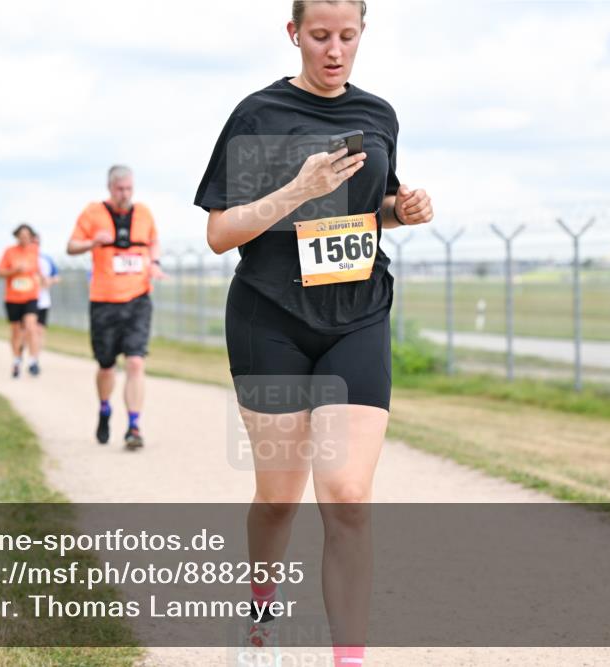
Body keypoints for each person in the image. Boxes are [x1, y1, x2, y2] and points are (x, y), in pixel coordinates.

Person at [194, 1, 433, 663]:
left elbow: (372, 207)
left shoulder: (378, 115)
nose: (334, 51)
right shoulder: (258, 115)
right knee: (278, 497)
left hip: (357, 311)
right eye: (321, 36)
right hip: (270, 318)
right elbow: (219, 233)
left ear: (362, 35)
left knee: (349, 495)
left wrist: (401, 208)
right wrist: (295, 191)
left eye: (348, 37)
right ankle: (261, 612)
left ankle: (347, 657)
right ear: (294, 34)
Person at [67, 165, 164, 450]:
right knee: (106, 365)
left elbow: (154, 241)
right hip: (104, 301)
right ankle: (105, 409)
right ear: (110, 188)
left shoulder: (144, 212)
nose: (125, 194)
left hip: (138, 297)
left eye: (129, 189)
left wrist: (155, 263)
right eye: (120, 189)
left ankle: (134, 426)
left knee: (135, 361)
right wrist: (90, 242)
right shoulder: (92, 212)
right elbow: (71, 246)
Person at [0, 223, 42, 378]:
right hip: (13, 297)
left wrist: (42, 281)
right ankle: (16, 360)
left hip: (31, 296)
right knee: (16, 331)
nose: (24, 239)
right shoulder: (9, 252)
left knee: (31, 326)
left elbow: (38, 271)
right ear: (16, 237)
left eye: (27, 236)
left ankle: (33, 361)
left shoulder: (35, 251)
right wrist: (14, 271)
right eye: (21, 236)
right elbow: (0, 272)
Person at [34, 233, 61, 349]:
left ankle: (35, 359)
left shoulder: (46, 259)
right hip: (26, 299)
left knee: (40, 329)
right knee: (28, 330)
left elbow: (57, 277)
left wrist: (49, 281)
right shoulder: (23, 258)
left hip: (43, 300)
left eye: (37, 243)